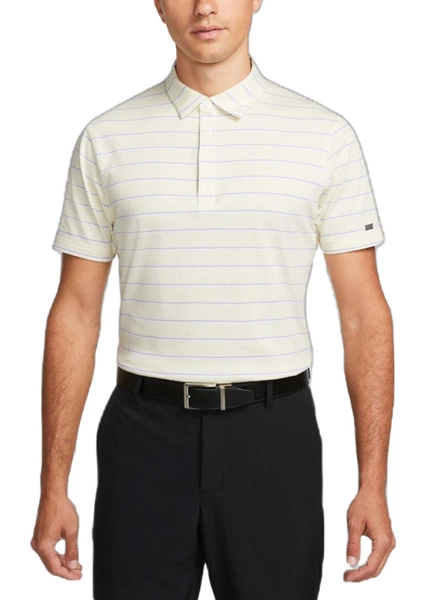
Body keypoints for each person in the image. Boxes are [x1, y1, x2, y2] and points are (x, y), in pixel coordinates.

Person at [30, 0, 396, 598]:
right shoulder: (106, 137)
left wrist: (373, 484)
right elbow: (74, 312)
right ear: (158, 5)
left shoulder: (325, 137)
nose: (205, 6)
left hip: (273, 441)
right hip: (142, 438)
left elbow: (364, 316)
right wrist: (53, 486)